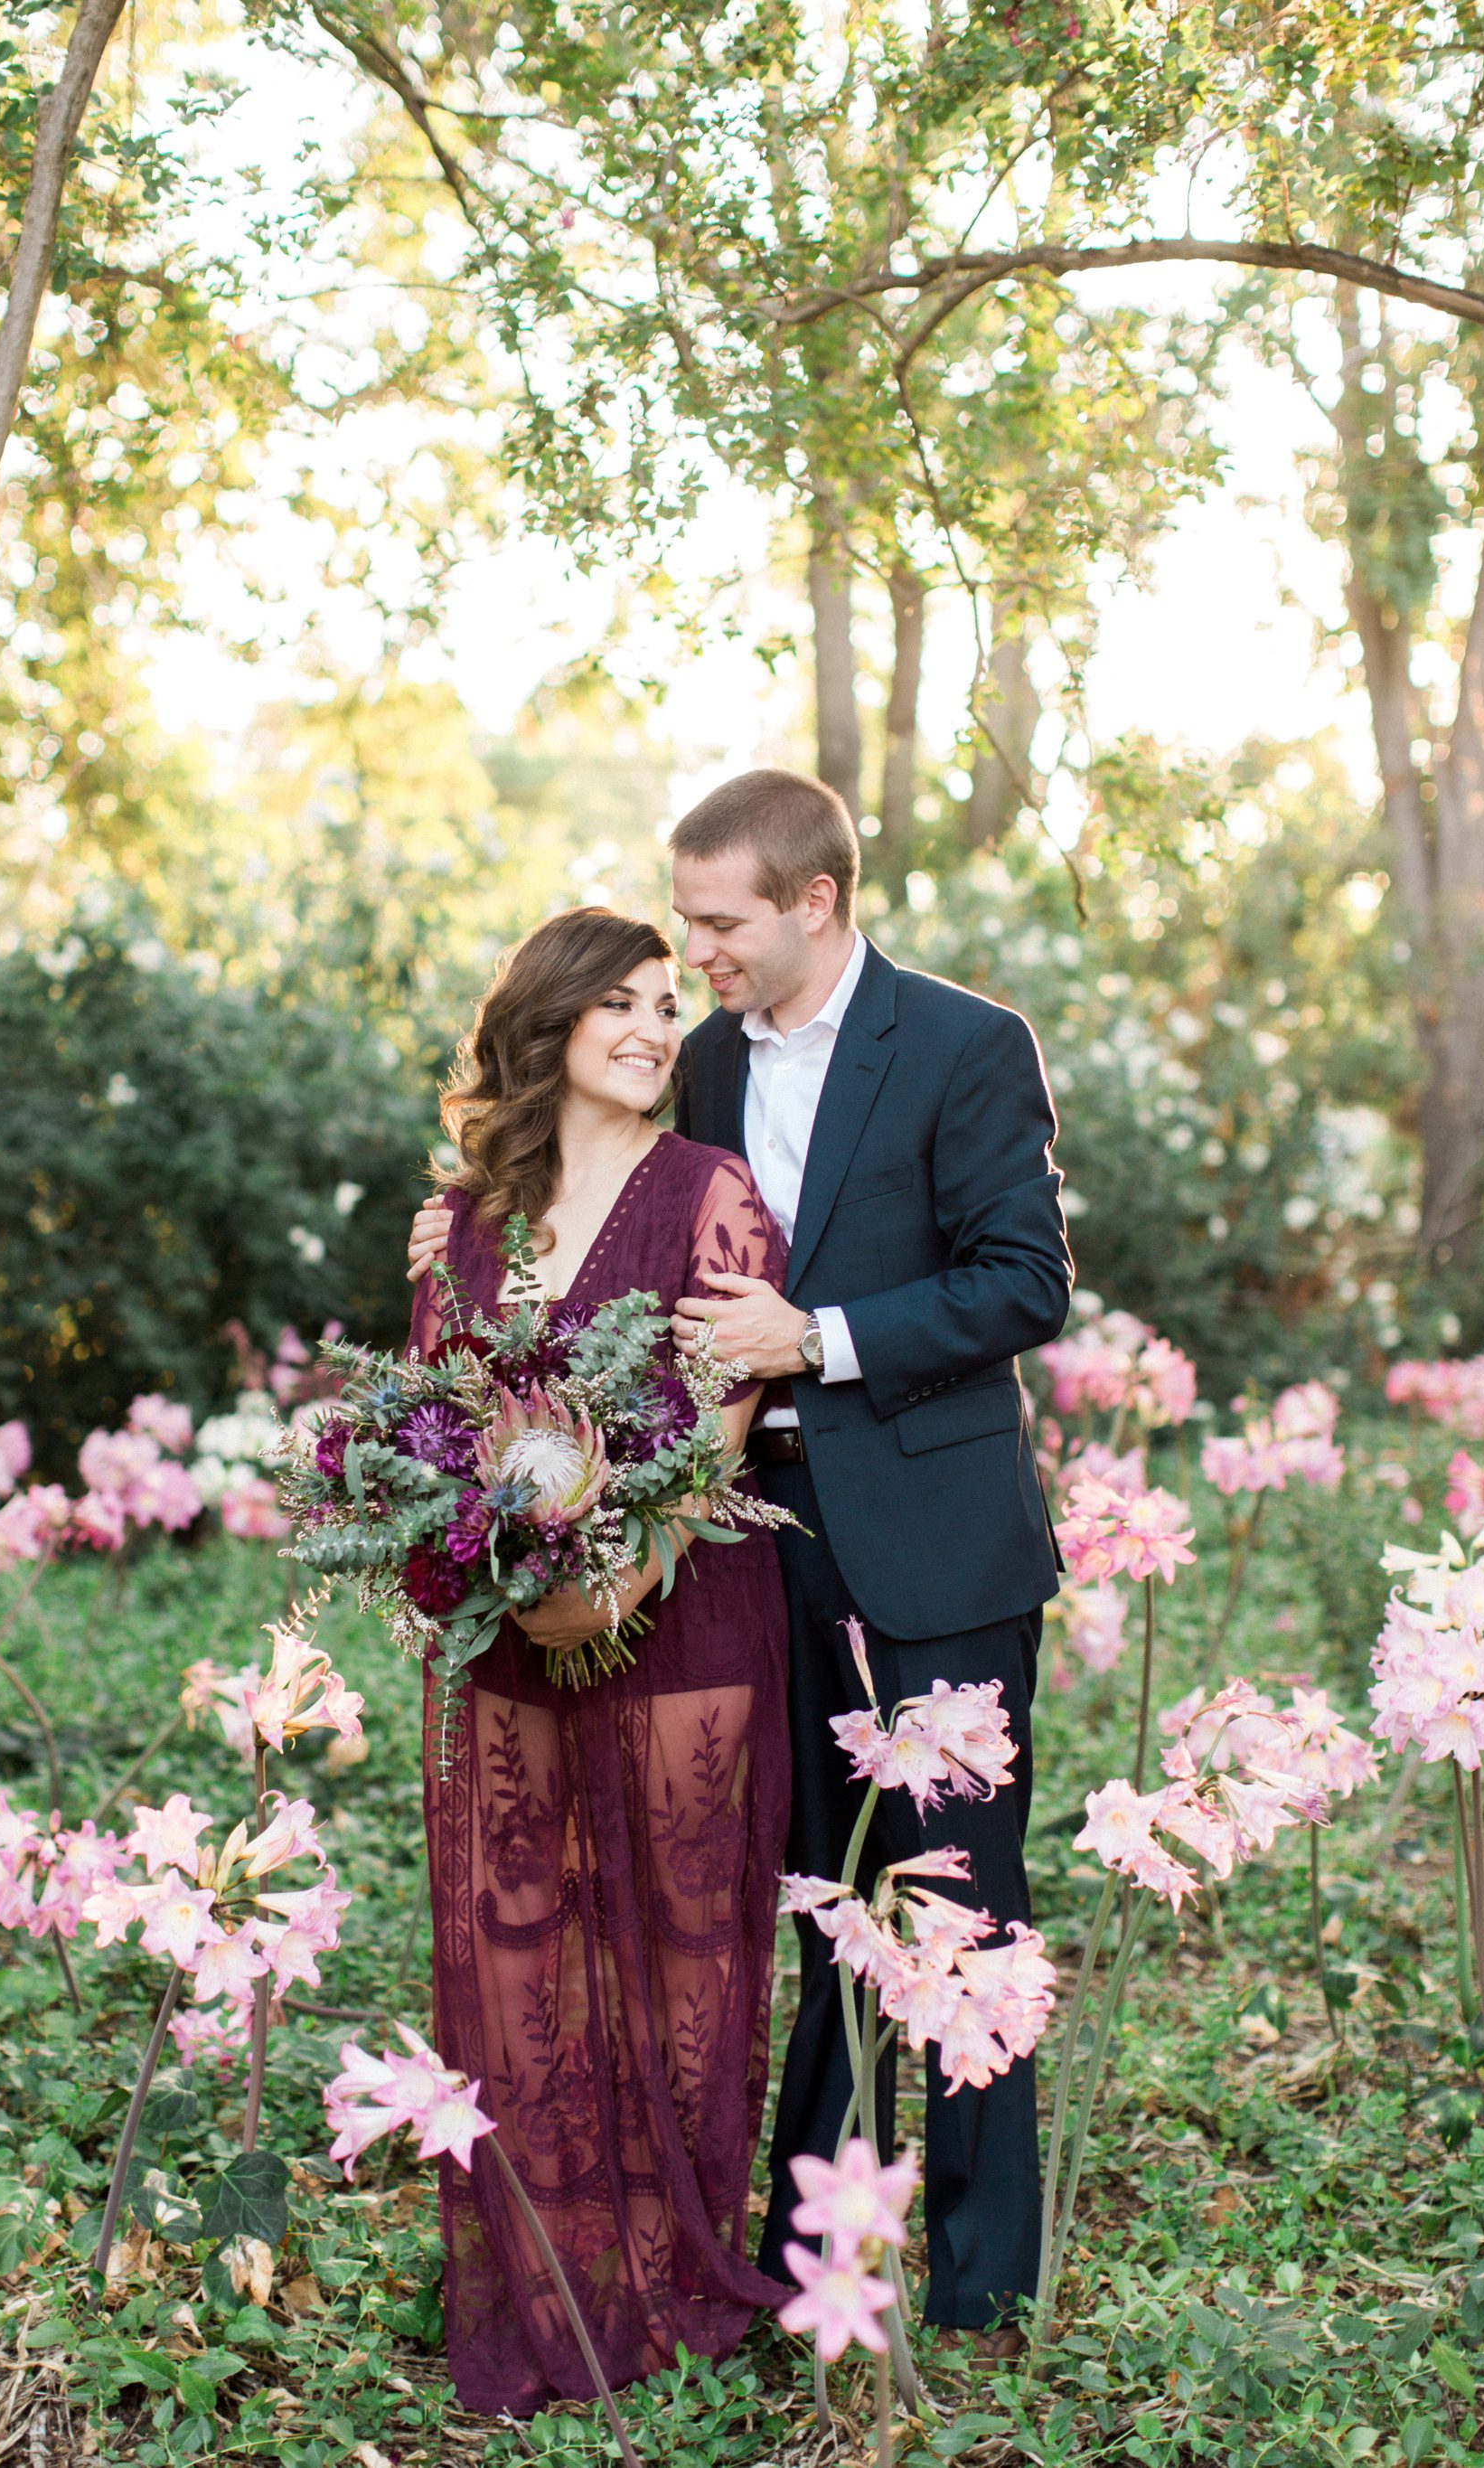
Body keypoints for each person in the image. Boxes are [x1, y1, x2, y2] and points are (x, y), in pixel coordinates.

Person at [409, 771, 1071, 2357]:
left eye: (718, 922)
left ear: (814, 901)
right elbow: (598, 1224)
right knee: (819, 1900)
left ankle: (982, 2285)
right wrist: (463, 1247)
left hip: (936, 1542)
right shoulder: (696, 1060)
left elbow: (1024, 1280)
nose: (695, 950)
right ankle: (807, 2265)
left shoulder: (965, 1043)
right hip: (746, 1552)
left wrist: (816, 1337)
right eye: (684, 921)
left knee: (961, 1902)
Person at [404, 906, 793, 2418]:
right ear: (551, 1021)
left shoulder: (710, 1191)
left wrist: (624, 1574)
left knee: (681, 1952)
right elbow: (431, 1427)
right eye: (618, 1002)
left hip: (679, 1616)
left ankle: (673, 2283)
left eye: (667, 1003)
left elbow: (720, 1422)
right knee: (528, 1943)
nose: (651, 1028)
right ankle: (552, 2276)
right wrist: (492, 1580)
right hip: (511, 1635)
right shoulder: (468, 1222)